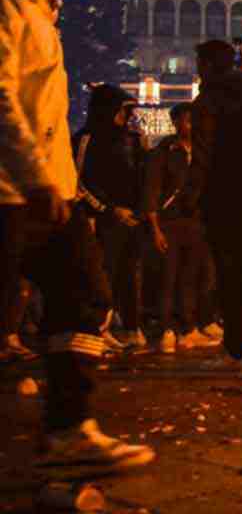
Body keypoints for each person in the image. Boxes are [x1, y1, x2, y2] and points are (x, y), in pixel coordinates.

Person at [0, 0, 153, 471]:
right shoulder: (6, 7)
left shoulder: (36, 9)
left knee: (85, 295)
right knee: (77, 293)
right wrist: (38, 178)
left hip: (42, 189)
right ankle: (67, 428)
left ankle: (69, 426)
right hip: (18, 191)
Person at [182, 39, 242, 367]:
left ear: (206, 65)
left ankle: (235, 346)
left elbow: (201, 156)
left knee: (228, 271)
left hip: (221, 193)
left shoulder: (208, 100)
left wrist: (190, 198)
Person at [142, 103, 220, 353]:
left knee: (189, 278)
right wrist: (155, 229)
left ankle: (187, 328)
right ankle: (166, 330)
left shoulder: (203, 152)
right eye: (188, 121)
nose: (193, 126)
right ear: (176, 123)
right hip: (169, 224)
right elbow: (151, 192)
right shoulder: (163, 152)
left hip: (195, 223)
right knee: (167, 277)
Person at [74, 84, 146, 348]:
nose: (127, 117)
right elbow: (79, 182)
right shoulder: (86, 139)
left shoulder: (133, 139)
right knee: (101, 274)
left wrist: (139, 211)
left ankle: (131, 326)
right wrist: (108, 209)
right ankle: (98, 329)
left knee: (129, 274)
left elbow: (142, 177)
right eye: (123, 111)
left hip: (131, 219)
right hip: (101, 219)